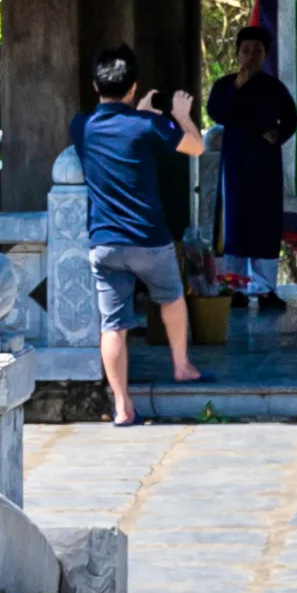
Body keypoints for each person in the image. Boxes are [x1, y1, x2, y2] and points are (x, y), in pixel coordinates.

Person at [70, 46, 208, 426]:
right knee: (172, 298)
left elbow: (118, 134)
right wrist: (180, 116)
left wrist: (139, 113)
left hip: (105, 243)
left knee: (112, 324)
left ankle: (121, 405)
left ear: (95, 85)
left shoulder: (81, 125)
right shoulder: (148, 127)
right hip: (150, 239)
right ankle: (181, 366)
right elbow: (196, 146)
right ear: (134, 87)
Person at [206, 26, 297, 311]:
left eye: (257, 51)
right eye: (245, 51)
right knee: (235, 224)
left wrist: (279, 134)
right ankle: (233, 288)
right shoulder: (225, 85)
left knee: (265, 225)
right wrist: (237, 87)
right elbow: (216, 112)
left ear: (265, 55)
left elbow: (292, 118)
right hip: (235, 165)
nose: (250, 56)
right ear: (237, 54)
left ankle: (266, 290)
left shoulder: (274, 88)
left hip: (266, 165)